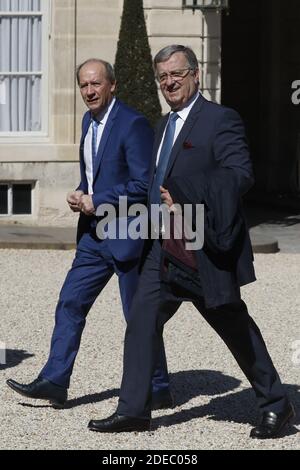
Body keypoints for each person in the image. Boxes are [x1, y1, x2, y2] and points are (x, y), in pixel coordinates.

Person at [87, 46, 295, 439]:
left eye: (176, 74)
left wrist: (184, 191)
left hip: (202, 246)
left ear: (195, 75)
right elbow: (152, 185)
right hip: (160, 245)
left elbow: (240, 175)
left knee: (233, 325)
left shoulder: (220, 120)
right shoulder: (163, 125)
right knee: (141, 320)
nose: (169, 82)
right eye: (163, 76)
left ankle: (277, 405)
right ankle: (134, 410)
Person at [6, 58, 172, 410]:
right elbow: (95, 176)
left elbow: (145, 184)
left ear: (112, 85)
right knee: (70, 302)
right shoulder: (87, 120)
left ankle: (157, 386)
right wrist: (79, 193)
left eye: (96, 84)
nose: (89, 91)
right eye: (83, 85)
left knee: (138, 317)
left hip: (128, 234)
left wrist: (100, 200)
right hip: (93, 238)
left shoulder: (133, 124)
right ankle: (54, 380)